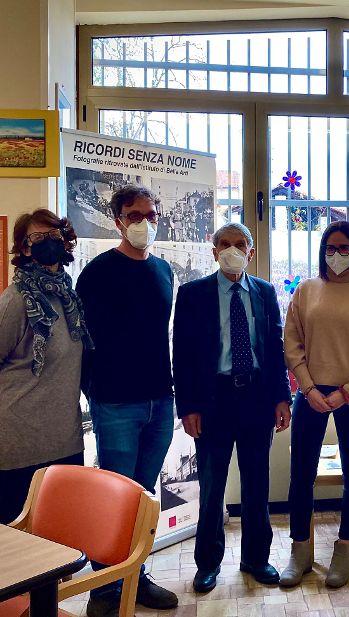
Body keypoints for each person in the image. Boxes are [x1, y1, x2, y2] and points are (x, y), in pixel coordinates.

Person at [76, 185, 178, 617]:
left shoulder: (163, 270)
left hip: (160, 399)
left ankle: (136, 575)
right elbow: (82, 339)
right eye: (135, 215)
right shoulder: (98, 272)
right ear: (118, 221)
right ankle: (104, 589)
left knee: (142, 497)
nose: (144, 223)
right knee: (113, 495)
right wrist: (94, 390)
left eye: (151, 215)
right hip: (116, 402)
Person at [173, 222, 292, 592]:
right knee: (212, 487)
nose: (232, 250)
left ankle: (256, 559)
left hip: (256, 398)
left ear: (251, 253)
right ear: (214, 252)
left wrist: (282, 397)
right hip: (212, 401)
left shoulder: (265, 292)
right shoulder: (193, 294)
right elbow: (182, 354)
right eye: (224, 244)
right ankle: (208, 563)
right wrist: (187, 407)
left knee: (257, 484)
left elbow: (274, 348)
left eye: (240, 244)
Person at [281, 221, 349, 588]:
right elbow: (292, 343)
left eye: (345, 247)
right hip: (310, 394)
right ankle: (300, 548)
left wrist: (348, 390)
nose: (337, 254)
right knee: (301, 473)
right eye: (331, 247)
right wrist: (309, 388)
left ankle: (344, 547)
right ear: (322, 251)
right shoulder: (306, 290)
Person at [0, 209, 92, 524]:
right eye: (37, 238)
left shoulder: (69, 298)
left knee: (63, 532)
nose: (48, 243)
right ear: (24, 248)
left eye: (54, 235)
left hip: (65, 439)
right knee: (20, 539)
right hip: (21, 444)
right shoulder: (16, 301)